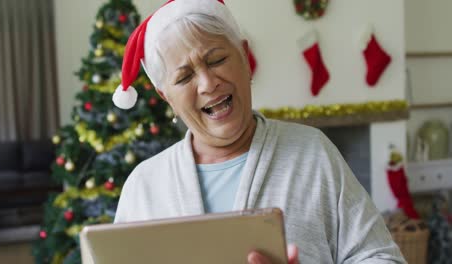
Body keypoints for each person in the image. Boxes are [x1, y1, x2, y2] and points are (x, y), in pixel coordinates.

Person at [113, 0, 406, 263]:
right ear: (167, 98)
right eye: (184, 76)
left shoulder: (313, 153)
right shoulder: (144, 186)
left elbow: (383, 257)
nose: (207, 83)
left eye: (217, 60)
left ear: (244, 56)